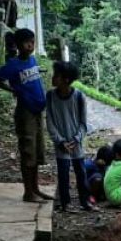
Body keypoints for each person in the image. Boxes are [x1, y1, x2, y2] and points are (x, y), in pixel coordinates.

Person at [0, 27, 51, 202]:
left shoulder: (32, 60)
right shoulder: (13, 65)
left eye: (32, 42)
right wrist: (12, 90)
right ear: (18, 45)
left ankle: (36, 188)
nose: (30, 45)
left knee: (37, 151)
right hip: (25, 112)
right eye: (27, 42)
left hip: (38, 111)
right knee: (28, 151)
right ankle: (28, 192)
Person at [46, 61, 95, 212]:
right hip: (61, 143)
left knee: (81, 172)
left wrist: (76, 139)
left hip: (76, 143)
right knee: (63, 172)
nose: (53, 78)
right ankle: (65, 203)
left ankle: (85, 201)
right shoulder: (50, 96)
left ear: (66, 79)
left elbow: (83, 123)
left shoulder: (79, 97)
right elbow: (49, 121)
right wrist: (60, 141)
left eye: (56, 76)